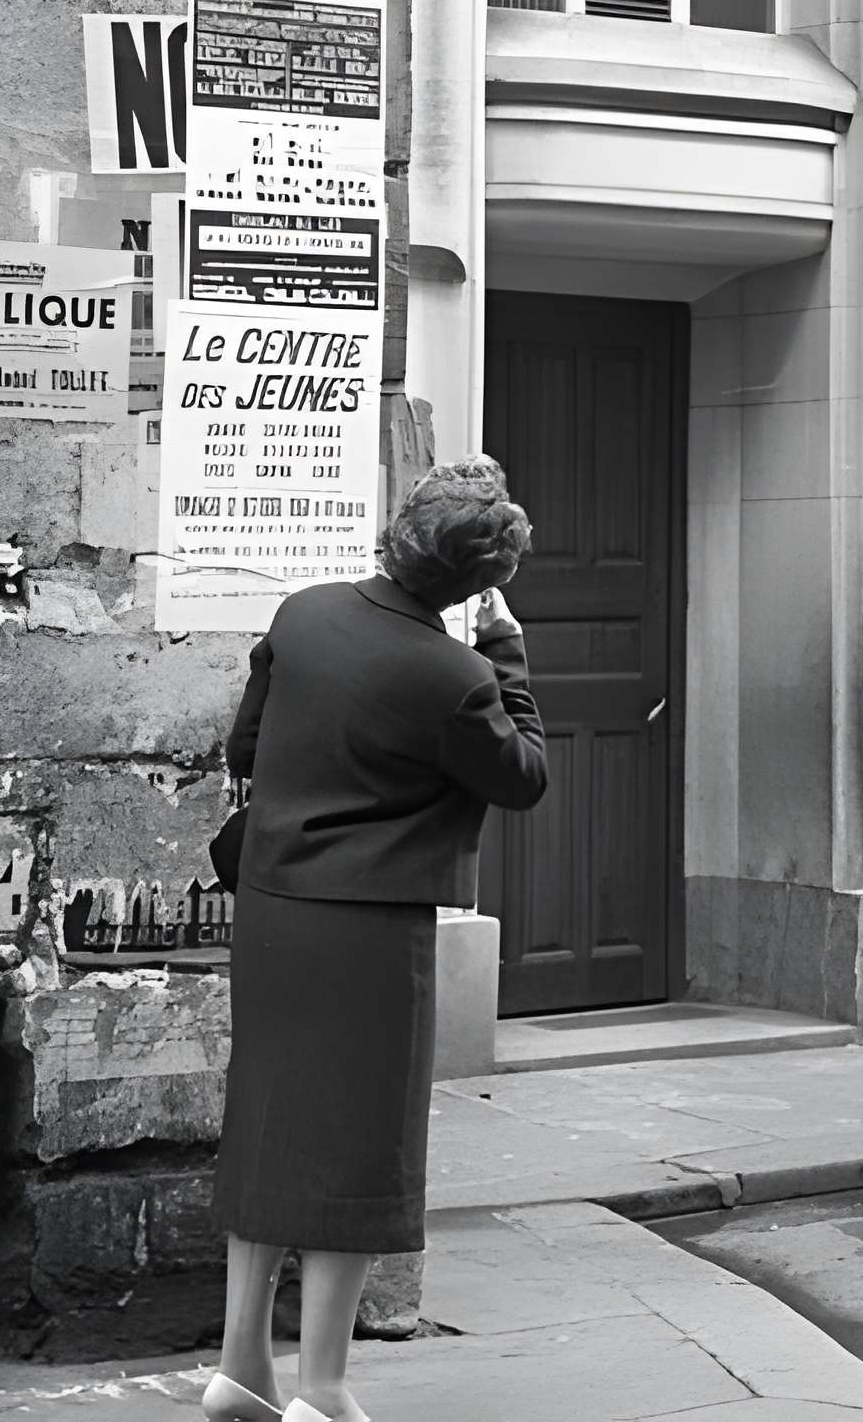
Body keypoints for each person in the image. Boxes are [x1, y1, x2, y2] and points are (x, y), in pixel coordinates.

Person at [203, 458, 547, 1422]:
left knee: (269, 1122)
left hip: (273, 907)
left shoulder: (304, 613)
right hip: (371, 926)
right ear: (479, 584)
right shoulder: (458, 675)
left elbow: (245, 751)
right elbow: (522, 775)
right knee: (356, 1147)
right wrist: (506, 652)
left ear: (402, 532)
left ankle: (239, 1367)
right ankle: (321, 1386)